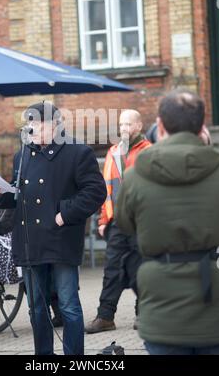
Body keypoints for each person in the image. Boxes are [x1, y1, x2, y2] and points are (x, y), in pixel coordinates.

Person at [0, 101, 106, 355]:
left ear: (55, 124)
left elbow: (96, 191)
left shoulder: (77, 151)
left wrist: (65, 214)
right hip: (30, 240)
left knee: (68, 304)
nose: (32, 128)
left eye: (37, 122)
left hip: (61, 237)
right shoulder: (23, 154)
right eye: (29, 123)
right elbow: (18, 195)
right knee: (37, 307)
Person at [116, 90, 219, 355]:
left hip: (161, 306)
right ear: (201, 127)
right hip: (217, 308)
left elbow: (125, 226)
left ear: (160, 126)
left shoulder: (134, 176)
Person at [85, 110, 151, 334]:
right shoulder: (113, 152)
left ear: (139, 127)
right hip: (116, 222)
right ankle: (105, 316)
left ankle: (144, 315)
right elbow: (106, 190)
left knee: (142, 268)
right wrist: (103, 220)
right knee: (111, 269)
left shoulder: (149, 152)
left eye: (128, 124)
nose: (123, 128)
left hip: (141, 221)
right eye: (121, 124)